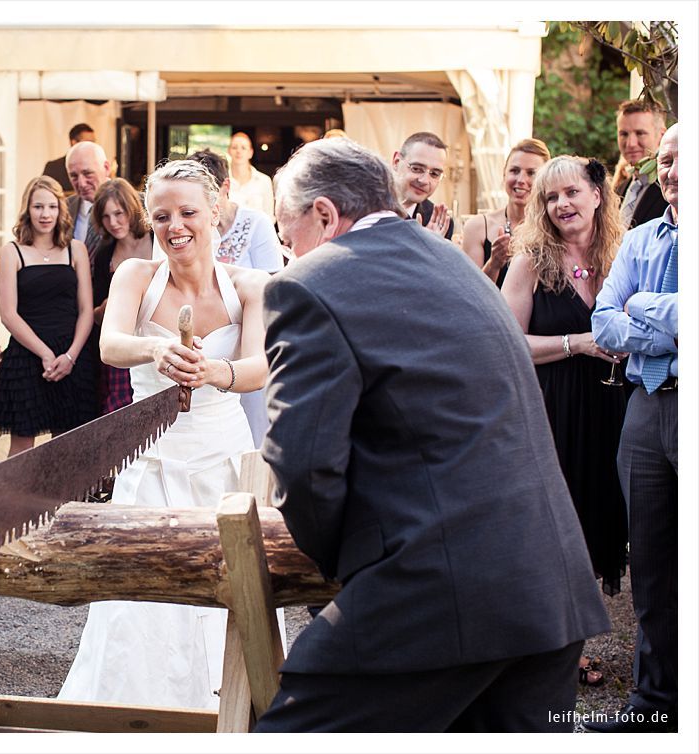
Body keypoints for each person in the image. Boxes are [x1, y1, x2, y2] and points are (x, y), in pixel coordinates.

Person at [254, 137, 609, 732]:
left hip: (439, 593)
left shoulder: (309, 284)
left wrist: (342, 567)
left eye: (287, 234)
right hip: (549, 590)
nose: (288, 250)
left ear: (322, 214)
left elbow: (305, 466)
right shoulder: (452, 261)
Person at [58, 159, 274, 710]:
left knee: (232, 588)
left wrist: (212, 373)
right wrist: (156, 348)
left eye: (187, 212)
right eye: (161, 216)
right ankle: (130, 717)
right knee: (138, 595)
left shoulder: (251, 286)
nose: (174, 226)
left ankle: (229, 711)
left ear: (214, 212)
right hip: (150, 458)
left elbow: (258, 368)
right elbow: (110, 345)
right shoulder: (136, 275)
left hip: (222, 458)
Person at [501, 155, 629, 687]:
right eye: (551, 199)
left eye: (571, 193)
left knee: (604, 514)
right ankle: (558, 645)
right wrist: (578, 344)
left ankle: (580, 635)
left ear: (597, 195)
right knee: (560, 523)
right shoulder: (531, 259)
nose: (562, 205)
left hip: (618, 408)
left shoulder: (624, 254)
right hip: (556, 409)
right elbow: (509, 342)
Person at [588, 123, 679, 733]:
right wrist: (667, 320)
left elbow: (627, 313)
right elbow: (602, 323)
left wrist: (641, 307)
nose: (669, 171)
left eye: (681, 160)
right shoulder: (643, 237)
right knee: (650, 562)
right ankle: (654, 704)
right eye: (665, 161)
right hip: (646, 409)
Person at [0, 176, 97, 455]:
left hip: (71, 356)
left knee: (67, 444)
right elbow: (9, 315)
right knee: (22, 447)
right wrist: (45, 354)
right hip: (27, 356)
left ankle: (65, 499)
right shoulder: (11, 252)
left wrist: (70, 356)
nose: (45, 214)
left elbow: (86, 310)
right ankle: (16, 500)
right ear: (27, 209)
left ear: (61, 209)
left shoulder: (76, 249)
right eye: (38, 207)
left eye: (52, 206)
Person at [188, 148, 283, 449]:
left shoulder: (257, 224)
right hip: (208, 346)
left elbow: (273, 286)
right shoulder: (190, 231)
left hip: (251, 344)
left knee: (253, 433)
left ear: (225, 187)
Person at [89, 178, 154, 414]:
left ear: (132, 209)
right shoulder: (105, 253)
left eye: (119, 213)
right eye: (106, 217)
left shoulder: (157, 239)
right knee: (118, 411)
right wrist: (108, 307)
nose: (113, 223)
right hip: (122, 344)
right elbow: (95, 314)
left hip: (157, 338)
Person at [461, 138, 551, 286]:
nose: (521, 180)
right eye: (514, 171)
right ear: (504, 176)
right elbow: (471, 293)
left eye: (531, 173)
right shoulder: (477, 227)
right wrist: (494, 263)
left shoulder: (553, 229)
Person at [613, 99, 668, 230]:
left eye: (640, 133)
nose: (630, 143)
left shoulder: (671, 190)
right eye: (624, 134)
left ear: (661, 135)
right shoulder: (620, 189)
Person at [391, 131, 454, 240]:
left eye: (434, 174)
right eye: (416, 169)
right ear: (396, 162)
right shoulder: (364, 207)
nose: (424, 181)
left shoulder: (439, 223)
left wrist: (431, 245)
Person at [65, 140, 111, 253]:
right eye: (74, 176)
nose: (81, 183)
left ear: (106, 168)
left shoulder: (137, 204)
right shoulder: (63, 208)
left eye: (87, 173)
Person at [227, 131, 275, 223]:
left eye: (243, 148)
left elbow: (269, 217)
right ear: (229, 151)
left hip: (257, 235)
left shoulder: (264, 181)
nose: (238, 151)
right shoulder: (222, 181)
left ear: (251, 153)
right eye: (234, 147)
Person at [43, 122, 95, 189]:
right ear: (74, 142)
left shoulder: (95, 166)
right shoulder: (54, 167)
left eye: (93, 142)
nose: (93, 146)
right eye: (88, 142)